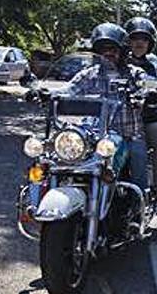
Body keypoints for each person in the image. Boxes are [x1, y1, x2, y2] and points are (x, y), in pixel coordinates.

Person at [60, 23, 150, 190]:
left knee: (138, 158)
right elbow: (68, 89)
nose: (108, 54)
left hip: (128, 135)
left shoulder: (134, 73)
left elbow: (144, 86)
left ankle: (141, 202)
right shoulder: (89, 74)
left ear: (122, 52)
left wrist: (142, 95)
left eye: (113, 50)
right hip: (92, 136)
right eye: (103, 50)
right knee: (58, 156)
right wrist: (43, 92)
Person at [124, 16, 157, 202]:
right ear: (127, 41)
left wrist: (152, 111)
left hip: (142, 123)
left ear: (150, 43)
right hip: (108, 122)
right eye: (134, 38)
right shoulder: (113, 62)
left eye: (144, 39)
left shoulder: (155, 69)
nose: (139, 43)